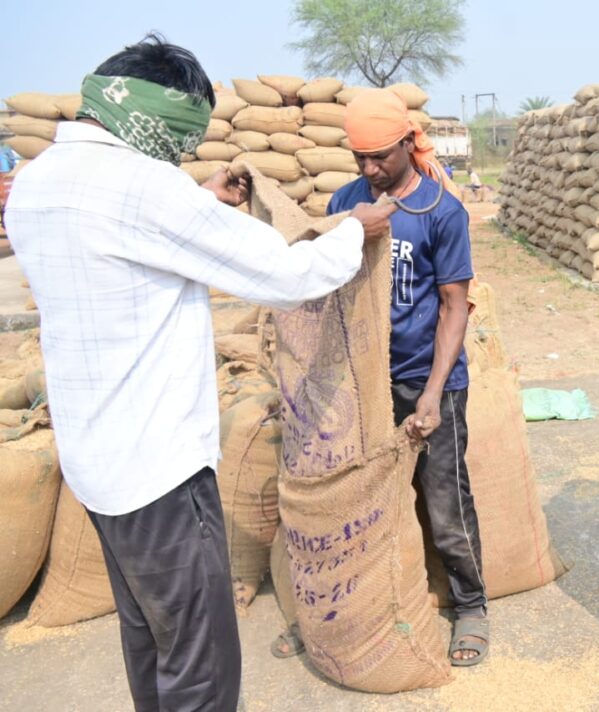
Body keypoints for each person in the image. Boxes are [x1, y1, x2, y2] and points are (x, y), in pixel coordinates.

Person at [4, 35, 393, 711]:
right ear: (164, 120)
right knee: (200, 665)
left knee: (149, 637)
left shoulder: (38, 180)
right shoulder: (145, 188)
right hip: (159, 472)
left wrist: (203, 203)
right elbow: (287, 275)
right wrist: (353, 231)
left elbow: (126, 242)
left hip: (97, 465)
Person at [327, 87, 490, 667]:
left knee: (445, 500)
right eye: (360, 159)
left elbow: (454, 306)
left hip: (428, 378)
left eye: (381, 158)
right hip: (365, 383)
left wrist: (431, 395)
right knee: (363, 502)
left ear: (406, 144)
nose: (370, 170)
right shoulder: (347, 202)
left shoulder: (441, 210)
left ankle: (470, 606)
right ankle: (370, 606)